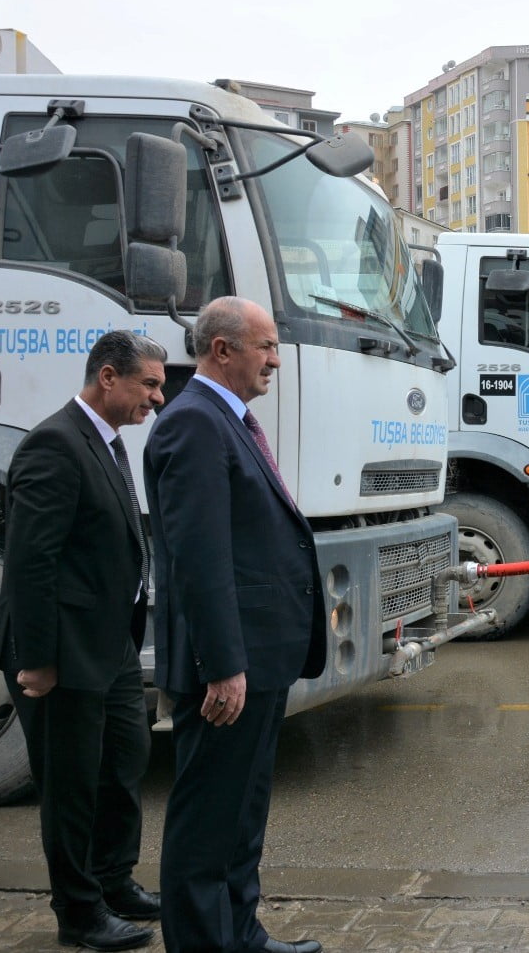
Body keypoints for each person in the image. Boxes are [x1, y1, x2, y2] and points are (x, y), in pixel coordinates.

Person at [145, 299, 326, 953]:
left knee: (242, 810)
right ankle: (201, 941)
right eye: (266, 346)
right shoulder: (193, 424)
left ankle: (240, 930)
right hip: (228, 664)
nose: (276, 359)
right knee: (208, 815)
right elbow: (200, 557)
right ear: (222, 350)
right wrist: (223, 664)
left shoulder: (226, 421)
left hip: (260, 656)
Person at [0, 331, 166, 952]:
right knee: (70, 785)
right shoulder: (54, 443)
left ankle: (114, 881)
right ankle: (79, 912)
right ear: (108, 378)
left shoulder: (108, 441)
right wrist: (36, 662)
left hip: (111, 643)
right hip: (62, 652)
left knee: (124, 763)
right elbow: (30, 563)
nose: (157, 396)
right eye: (148, 383)